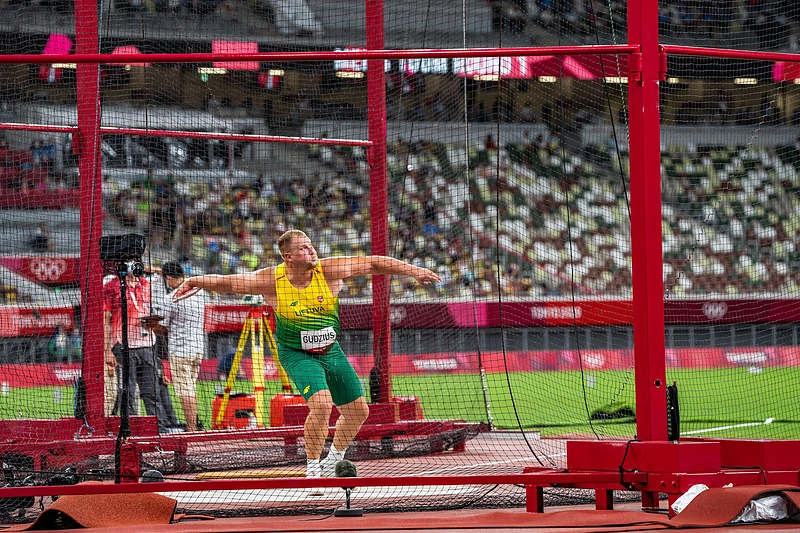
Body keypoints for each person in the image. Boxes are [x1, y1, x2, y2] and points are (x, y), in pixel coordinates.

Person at [172, 229, 440, 492]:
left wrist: (413, 271)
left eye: (311, 245)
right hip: (296, 354)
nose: (312, 250)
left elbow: (372, 263)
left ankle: (333, 459)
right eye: (304, 247)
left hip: (331, 351)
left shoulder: (329, 270)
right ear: (288, 256)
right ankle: (312, 470)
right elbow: (228, 282)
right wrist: (195, 281)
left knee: (359, 412)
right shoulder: (271, 281)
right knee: (322, 405)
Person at [103, 265, 174, 432]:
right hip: (123, 344)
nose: (134, 265)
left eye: (136, 261)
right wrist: (107, 350)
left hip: (147, 343)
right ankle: (131, 430)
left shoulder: (146, 284)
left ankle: (159, 429)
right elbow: (105, 320)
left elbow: (165, 275)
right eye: (129, 261)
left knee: (152, 391)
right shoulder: (111, 286)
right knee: (127, 392)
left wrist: (154, 324)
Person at [152, 261, 206, 432]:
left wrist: (150, 324)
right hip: (197, 348)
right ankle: (193, 426)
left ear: (168, 278)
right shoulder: (199, 290)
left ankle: (191, 429)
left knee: (185, 391)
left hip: (180, 350)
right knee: (191, 387)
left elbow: (163, 327)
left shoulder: (171, 298)